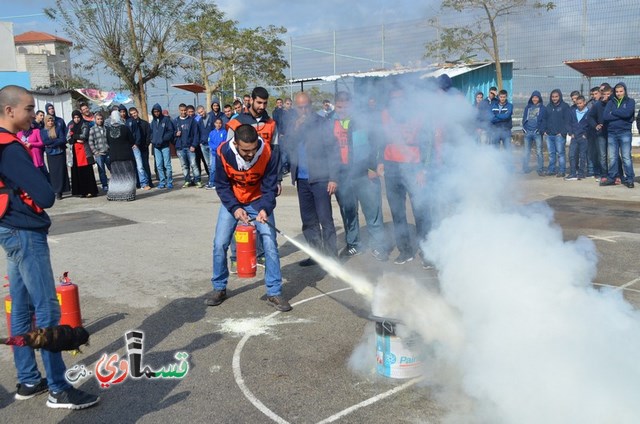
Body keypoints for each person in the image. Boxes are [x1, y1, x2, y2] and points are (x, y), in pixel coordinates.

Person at [0, 85, 99, 409]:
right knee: (47, 310)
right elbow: (45, 196)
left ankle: (29, 378)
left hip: (10, 229)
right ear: (9, 110)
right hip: (26, 232)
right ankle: (58, 387)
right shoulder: (10, 148)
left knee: (21, 308)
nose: (34, 115)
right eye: (29, 109)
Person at [207, 124, 292, 312]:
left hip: (258, 200)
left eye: (253, 149)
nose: (250, 154)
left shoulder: (268, 152)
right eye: (246, 150)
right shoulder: (223, 152)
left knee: (270, 243)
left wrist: (265, 208)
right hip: (233, 201)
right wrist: (235, 208)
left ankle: (274, 292)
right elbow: (221, 185)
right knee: (220, 243)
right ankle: (219, 288)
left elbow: (270, 186)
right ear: (236, 144)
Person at [377, 85, 431, 266]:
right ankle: (405, 250)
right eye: (394, 99)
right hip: (392, 168)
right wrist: (380, 162)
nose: (397, 103)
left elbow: (428, 141)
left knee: (421, 211)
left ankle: (427, 252)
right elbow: (380, 139)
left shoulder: (418, 116)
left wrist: (424, 169)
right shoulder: (385, 114)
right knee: (397, 212)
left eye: (400, 99)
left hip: (414, 166)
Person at [331, 91, 388, 260]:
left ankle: (379, 246)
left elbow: (377, 142)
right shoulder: (329, 122)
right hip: (343, 176)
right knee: (348, 211)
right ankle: (353, 244)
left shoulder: (363, 120)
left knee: (373, 212)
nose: (342, 110)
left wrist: (373, 166)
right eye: (339, 107)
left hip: (365, 174)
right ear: (335, 105)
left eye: (346, 107)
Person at [286, 91, 339, 265]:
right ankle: (316, 255)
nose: (304, 111)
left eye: (306, 107)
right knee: (308, 220)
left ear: (311, 105)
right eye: (300, 108)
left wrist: (333, 178)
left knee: (325, 218)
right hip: (302, 180)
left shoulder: (322, 123)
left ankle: (331, 256)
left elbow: (333, 151)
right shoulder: (294, 125)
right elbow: (288, 147)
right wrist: (295, 129)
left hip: (321, 178)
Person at [600, 82, 636, 188]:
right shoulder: (610, 102)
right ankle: (612, 177)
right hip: (612, 133)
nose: (619, 93)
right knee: (612, 157)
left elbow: (628, 114)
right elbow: (606, 116)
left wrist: (614, 112)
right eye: (617, 91)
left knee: (626, 157)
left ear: (625, 91)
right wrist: (620, 114)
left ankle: (629, 179)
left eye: (621, 91)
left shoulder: (630, 101)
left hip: (625, 132)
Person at [106, 110, 137, 201]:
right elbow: (131, 141)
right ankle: (128, 195)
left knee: (116, 177)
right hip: (126, 156)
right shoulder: (125, 128)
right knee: (127, 176)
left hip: (114, 157)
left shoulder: (108, 130)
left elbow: (108, 142)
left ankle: (114, 195)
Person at [67, 110, 98, 198]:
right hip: (75, 151)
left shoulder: (85, 124)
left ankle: (90, 191)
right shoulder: (71, 126)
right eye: (74, 117)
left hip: (84, 151)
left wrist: (74, 137)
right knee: (77, 172)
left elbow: (84, 136)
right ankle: (81, 191)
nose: (76, 119)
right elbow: (68, 138)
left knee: (86, 171)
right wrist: (76, 138)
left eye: (78, 117)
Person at [120, 105, 151, 190]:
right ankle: (132, 184)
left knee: (140, 166)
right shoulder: (118, 123)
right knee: (129, 167)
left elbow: (137, 133)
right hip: (125, 149)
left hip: (134, 147)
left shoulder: (131, 121)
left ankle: (144, 183)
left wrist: (136, 144)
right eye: (120, 112)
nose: (122, 113)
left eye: (124, 111)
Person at [544, 89, 572, 178]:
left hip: (559, 135)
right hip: (549, 135)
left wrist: (563, 132)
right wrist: (545, 131)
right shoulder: (548, 106)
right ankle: (551, 170)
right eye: (553, 97)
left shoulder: (565, 106)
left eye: (556, 96)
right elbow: (544, 119)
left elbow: (567, 121)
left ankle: (562, 170)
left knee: (560, 153)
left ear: (560, 96)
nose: (554, 98)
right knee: (551, 154)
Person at [174, 103, 202, 188]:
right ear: (179, 110)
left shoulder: (192, 121)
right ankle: (187, 180)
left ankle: (197, 180)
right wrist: (176, 134)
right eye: (181, 110)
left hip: (190, 147)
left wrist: (194, 145)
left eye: (185, 110)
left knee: (194, 164)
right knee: (184, 166)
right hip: (180, 148)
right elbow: (171, 133)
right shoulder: (175, 121)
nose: (183, 112)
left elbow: (196, 134)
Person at [41, 115, 69, 200]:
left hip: (59, 153)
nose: (50, 122)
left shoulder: (58, 129)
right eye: (49, 121)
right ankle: (55, 190)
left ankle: (60, 191)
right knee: (53, 173)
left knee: (61, 172)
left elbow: (62, 139)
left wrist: (52, 143)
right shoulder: (42, 131)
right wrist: (55, 141)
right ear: (46, 122)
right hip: (50, 154)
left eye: (52, 121)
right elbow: (45, 141)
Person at [149, 103, 175, 189]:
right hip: (156, 147)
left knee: (167, 165)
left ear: (160, 111)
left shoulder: (166, 120)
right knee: (159, 165)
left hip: (165, 146)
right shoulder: (152, 122)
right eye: (154, 111)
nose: (156, 113)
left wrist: (163, 139)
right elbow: (151, 133)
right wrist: (152, 140)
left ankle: (169, 181)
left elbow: (170, 131)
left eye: (157, 111)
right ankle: (162, 181)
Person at [565, 95, 590, 181]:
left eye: (580, 103)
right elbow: (568, 123)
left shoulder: (589, 113)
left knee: (582, 156)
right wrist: (570, 133)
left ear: (584, 102)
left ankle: (581, 173)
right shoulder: (573, 112)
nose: (579, 105)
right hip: (574, 137)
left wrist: (586, 134)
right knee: (572, 155)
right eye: (577, 103)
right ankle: (572, 173)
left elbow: (590, 125)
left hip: (583, 138)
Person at [521, 91, 546, 175]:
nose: (535, 99)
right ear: (531, 98)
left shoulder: (543, 108)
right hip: (527, 132)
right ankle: (525, 168)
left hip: (537, 133)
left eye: (536, 97)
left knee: (539, 152)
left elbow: (544, 121)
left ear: (539, 98)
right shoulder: (527, 107)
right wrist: (524, 128)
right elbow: (524, 118)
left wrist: (540, 130)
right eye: (533, 97)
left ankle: (540, 169)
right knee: (526, 151)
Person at [129, 107, 153, 188]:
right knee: (137, 166)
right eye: (131, 114)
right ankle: (139, 183)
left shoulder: (144, 123)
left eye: (134, 113)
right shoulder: (129, 124)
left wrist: (146, 144)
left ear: (137, 112)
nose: (133, 115)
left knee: (145, 165)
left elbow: (149, 135)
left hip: (143, 147)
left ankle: (149, 181)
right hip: (134, 148)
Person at [88, 111, 110, 191]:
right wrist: (95, 152)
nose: (100, 120)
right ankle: (105, 185)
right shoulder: (92, 129)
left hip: (107, 152)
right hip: (99, 154)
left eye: (101, 119)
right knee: (101, 171)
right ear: (95, 120)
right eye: (98, 119)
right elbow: (90, 142)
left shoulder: (106, 128)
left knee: (112, 168)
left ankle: (115, 182)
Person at [207, 117, 226, 190]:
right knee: (213, 168)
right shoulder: (212, 133)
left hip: (221, 153)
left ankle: (221, 183)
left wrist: (220, 148)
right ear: (214, 124)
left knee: (221, 169)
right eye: (217, 123)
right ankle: (211, 183)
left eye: (220, 123)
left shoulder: (224, 132)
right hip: (214, 153)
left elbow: (225, 141)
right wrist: (215, 148)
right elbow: (210, 142)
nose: (218, 125)